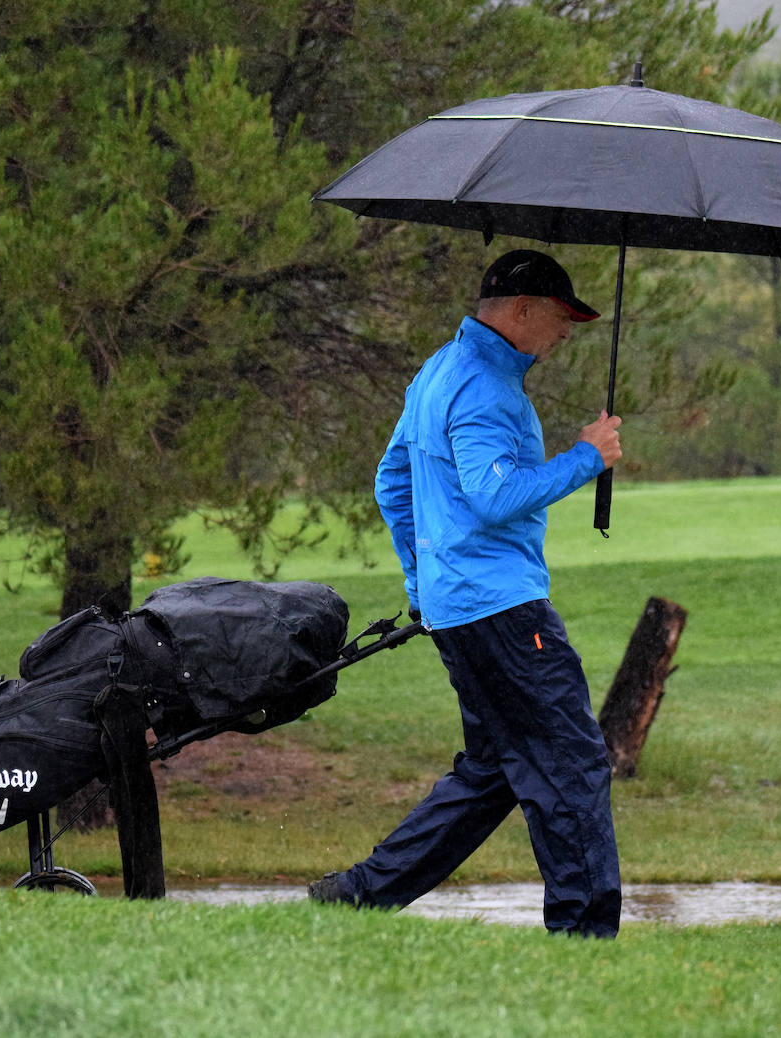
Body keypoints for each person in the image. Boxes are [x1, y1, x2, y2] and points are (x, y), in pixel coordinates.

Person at [309, 249, 625, 938]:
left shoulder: (438, 371)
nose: (567, 333)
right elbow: (494, 496)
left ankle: (359, 896)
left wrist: (424, 585)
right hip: (505, 613)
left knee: (493, 773)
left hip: (462, 610)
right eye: (561, 317)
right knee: (571, 763)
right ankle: (586, 937)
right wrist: (586, 457)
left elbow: (392, 484)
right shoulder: (485, 386)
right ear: (520, 312)